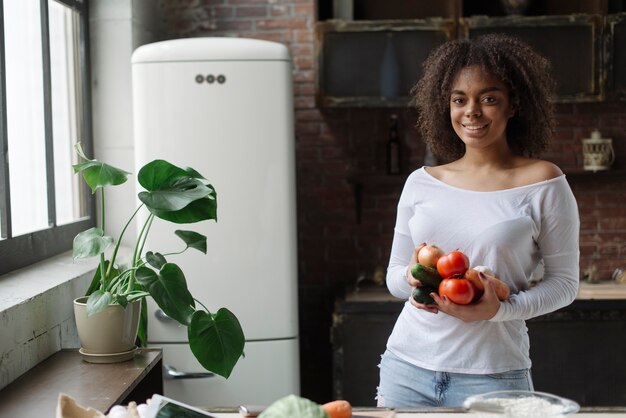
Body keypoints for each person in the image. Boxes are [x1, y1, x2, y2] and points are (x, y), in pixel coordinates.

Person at [377, 33, 580, 408]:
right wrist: (410, 280)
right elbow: (393, 274)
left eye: (488, 98)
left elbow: (565, 284)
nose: (471, 111)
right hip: (406, 368)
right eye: (459, 99)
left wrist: (502, 310)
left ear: (513, 105)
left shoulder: (544, 182)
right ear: (447, 106)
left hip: (494, 376)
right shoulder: (420, 183)